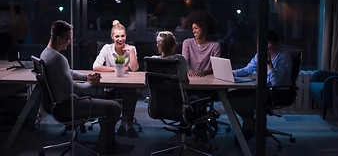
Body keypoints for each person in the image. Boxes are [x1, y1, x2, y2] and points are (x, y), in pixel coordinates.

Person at [40, 20, 133, 154]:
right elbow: (74, 89)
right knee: (115, 107)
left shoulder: (46, 54)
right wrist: (91, 83)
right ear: (59, 38)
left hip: (56, 104)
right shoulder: (58, 58)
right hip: (67, 106)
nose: (69, 42)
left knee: (105, 103)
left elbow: (67, 72)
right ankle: (106, 147)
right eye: (67, 39)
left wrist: (86, 77)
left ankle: (106, 143)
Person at [154, 31, 217, 152]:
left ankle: (186, 131)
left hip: (160, 106)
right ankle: (204, 141)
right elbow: (186, 82)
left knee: (193, 100)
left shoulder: (152, 61)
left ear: (158, 46)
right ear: (174, 45)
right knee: (199, 101)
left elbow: (148, 83)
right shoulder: (179, 59)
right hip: (180, 106)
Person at [227, 30, 292, 141]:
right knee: (232, 95)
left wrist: (268, 62)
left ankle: (249, 127)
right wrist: (230, 72)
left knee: (244, 99)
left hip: (278, 92)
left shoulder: (284, 57)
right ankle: (250, 122)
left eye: (258, 44)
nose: (257, 46)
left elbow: (275, 82)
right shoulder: (259, 54)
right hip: (263, 89)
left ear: (269, 45)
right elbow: (247, 69)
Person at [93, 20, 140, 138]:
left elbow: (134, 69)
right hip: (110, 87)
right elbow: (95, 66)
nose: (120, 39)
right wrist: (117, 68)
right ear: (112, 37)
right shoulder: (107, 48)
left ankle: (126, 125)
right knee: (106, 98)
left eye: (123, 36)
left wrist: (132, 52)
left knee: (131, 95)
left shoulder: (131, 48)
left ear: (126, 36)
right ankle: (106, 129)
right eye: (117, 36)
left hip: (126, 86)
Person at [182, 11, 221, 77]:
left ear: (204, 28)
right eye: (192, 29)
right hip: (191, 78)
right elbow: (184, 63)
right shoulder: (187, 43)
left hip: (208, 79)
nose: (193, 31)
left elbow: (216, 67)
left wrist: (206, 72)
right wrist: (189, 70)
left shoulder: (215, 46)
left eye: (196, 28)